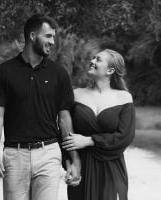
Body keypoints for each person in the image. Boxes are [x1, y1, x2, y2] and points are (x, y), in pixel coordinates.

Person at [0, 14, 81, 200]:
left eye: (53, 37)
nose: (52, 42)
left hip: (49, 153)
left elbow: (64, 119)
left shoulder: (59, 73)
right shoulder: (4, 72)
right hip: (15, 154)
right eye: (48, 36)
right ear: (32, 36)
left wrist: (73, 159)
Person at [62, 49, 135, 200]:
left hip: (111, 168)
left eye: (98, 59)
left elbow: (125, 137)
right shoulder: (76, 95)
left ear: (110, 70)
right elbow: (63, 131)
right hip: (81, 167)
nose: (92, 61)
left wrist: (89, 140)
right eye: (93, 58)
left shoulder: (124, 98)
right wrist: (69, 164)